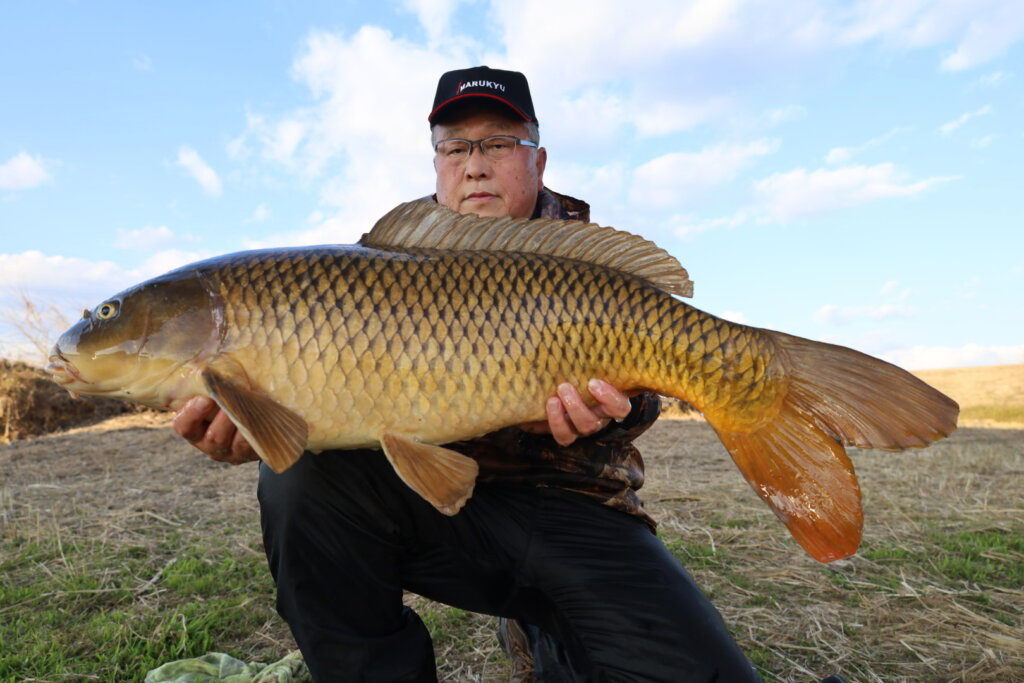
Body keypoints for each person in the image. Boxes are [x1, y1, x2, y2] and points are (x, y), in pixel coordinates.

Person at [173, 66, 772, 682]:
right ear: (437, 164)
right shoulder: (376, 268)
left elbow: (644, 402)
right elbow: (307, 421)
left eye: (497, 143)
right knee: (296, 484)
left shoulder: (579, 260)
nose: (474, 165)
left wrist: (605, 415)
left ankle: (551, 632)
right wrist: (256, 428)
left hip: (580, 515)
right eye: (455, 147)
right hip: (442, 519)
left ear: (537, 162)